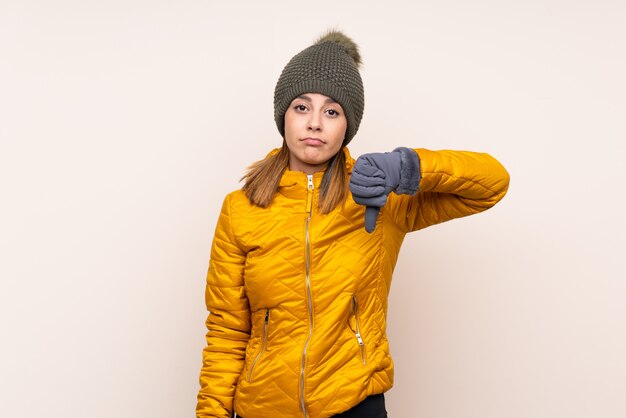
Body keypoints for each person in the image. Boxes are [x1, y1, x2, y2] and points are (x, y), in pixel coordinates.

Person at [196, 30, 510, 418]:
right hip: (262, 407)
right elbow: (227, 330)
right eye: (301, 107)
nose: (314, 123)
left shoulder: (382, 197)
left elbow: (491, 183)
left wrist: (408, 166)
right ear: (283, 115)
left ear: (348, 125)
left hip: (355, 404)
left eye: (331, 111)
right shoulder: (240, 208)